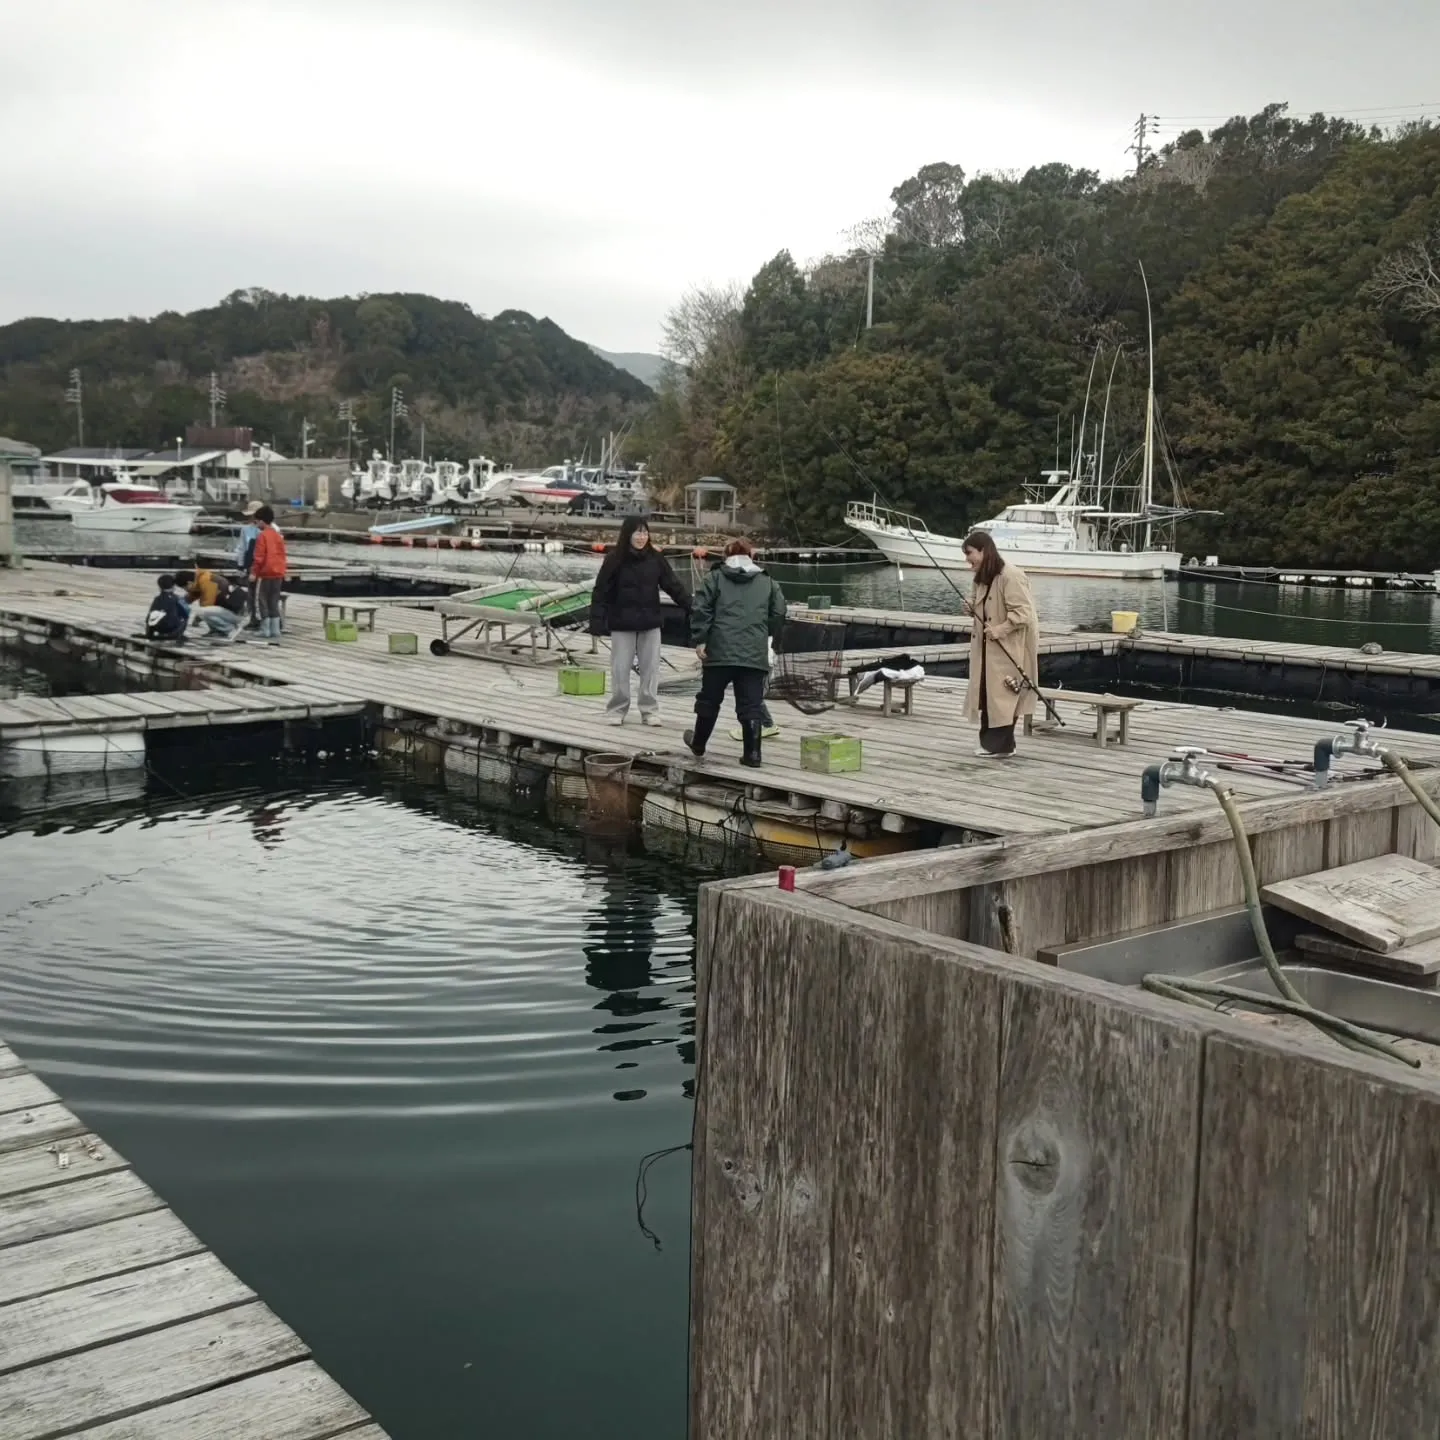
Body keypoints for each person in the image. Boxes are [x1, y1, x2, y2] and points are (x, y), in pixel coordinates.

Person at [685, 538, 787, 768]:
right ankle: (753, 755)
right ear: (751, 556)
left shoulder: (714, 577)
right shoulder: (767, 581)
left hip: (718, 651)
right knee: (751, 704)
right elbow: (779, 612)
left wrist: (701, 639)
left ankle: (698, 744)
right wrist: (764, 632)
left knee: (709, 700)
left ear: (725, 556)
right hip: (753, 653)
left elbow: (701, 609)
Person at [590, 516, 690, 726]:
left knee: (650, 669)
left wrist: (693, 607)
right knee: (620, 668)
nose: (641, 537)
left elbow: (673, 586)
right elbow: (600, 592)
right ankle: (617, 709)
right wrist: (596, 621)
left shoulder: (656, 559)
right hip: (622, 622)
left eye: (645, 532)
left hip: (650, 622)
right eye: (637, 532)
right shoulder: (614, 559)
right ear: (628, 534)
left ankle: (649, 710)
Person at [962, 530, 1040, 758]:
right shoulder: (981, 577)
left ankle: (997, 746)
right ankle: (999, 745)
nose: (967, 559)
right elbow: (979, 604)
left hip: (1009, 648)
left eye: (969, 553)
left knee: (1004, 695)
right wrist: (969, 607)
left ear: (983, 551)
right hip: (987, 649)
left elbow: (1024, 613)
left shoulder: (1011, 575)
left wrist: (1000, 629)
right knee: (987, 694)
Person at [250, 505, 288, 645]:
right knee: (274, 600)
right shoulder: (278, 535)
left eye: (257, 521)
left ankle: (265, 629)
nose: (256, 524)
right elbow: (283, 555)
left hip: (265, 573)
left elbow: (259, 557)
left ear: (261, 521)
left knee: (261, 600)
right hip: (278, 572)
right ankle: (275, 629)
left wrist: (254, 572)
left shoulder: (262, 536)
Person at [177, 568, 244, 641]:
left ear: (189, 583)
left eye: (184, 588)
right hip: (228, 612)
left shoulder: (206, 580)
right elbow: (191, 597)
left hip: (237, 615)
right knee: (204, 611)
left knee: (202, 611)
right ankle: (217, 631)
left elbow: (208, 604)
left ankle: (229, 630)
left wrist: (197, 619)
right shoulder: (200, 580)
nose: (185, 590)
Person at [236, 500, 264, 630]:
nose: (252, 517)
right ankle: (253, 619)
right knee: (250, 594)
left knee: (262, 595)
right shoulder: (245, 529)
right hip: (250, 564)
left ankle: (265, 620)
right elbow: (242, 548)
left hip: (263, 566)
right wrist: (240, 565)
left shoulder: (269, 529)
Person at [144, 574, 189, 643]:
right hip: (172, 629)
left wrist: (149, 634)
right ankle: (177, 635)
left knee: (152, 614)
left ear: (159, 587)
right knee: (185, 615)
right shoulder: (178, 598)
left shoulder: (157, 599)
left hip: (158, 628)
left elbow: (150, 617)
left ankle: (150, 634)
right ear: (173, 587)